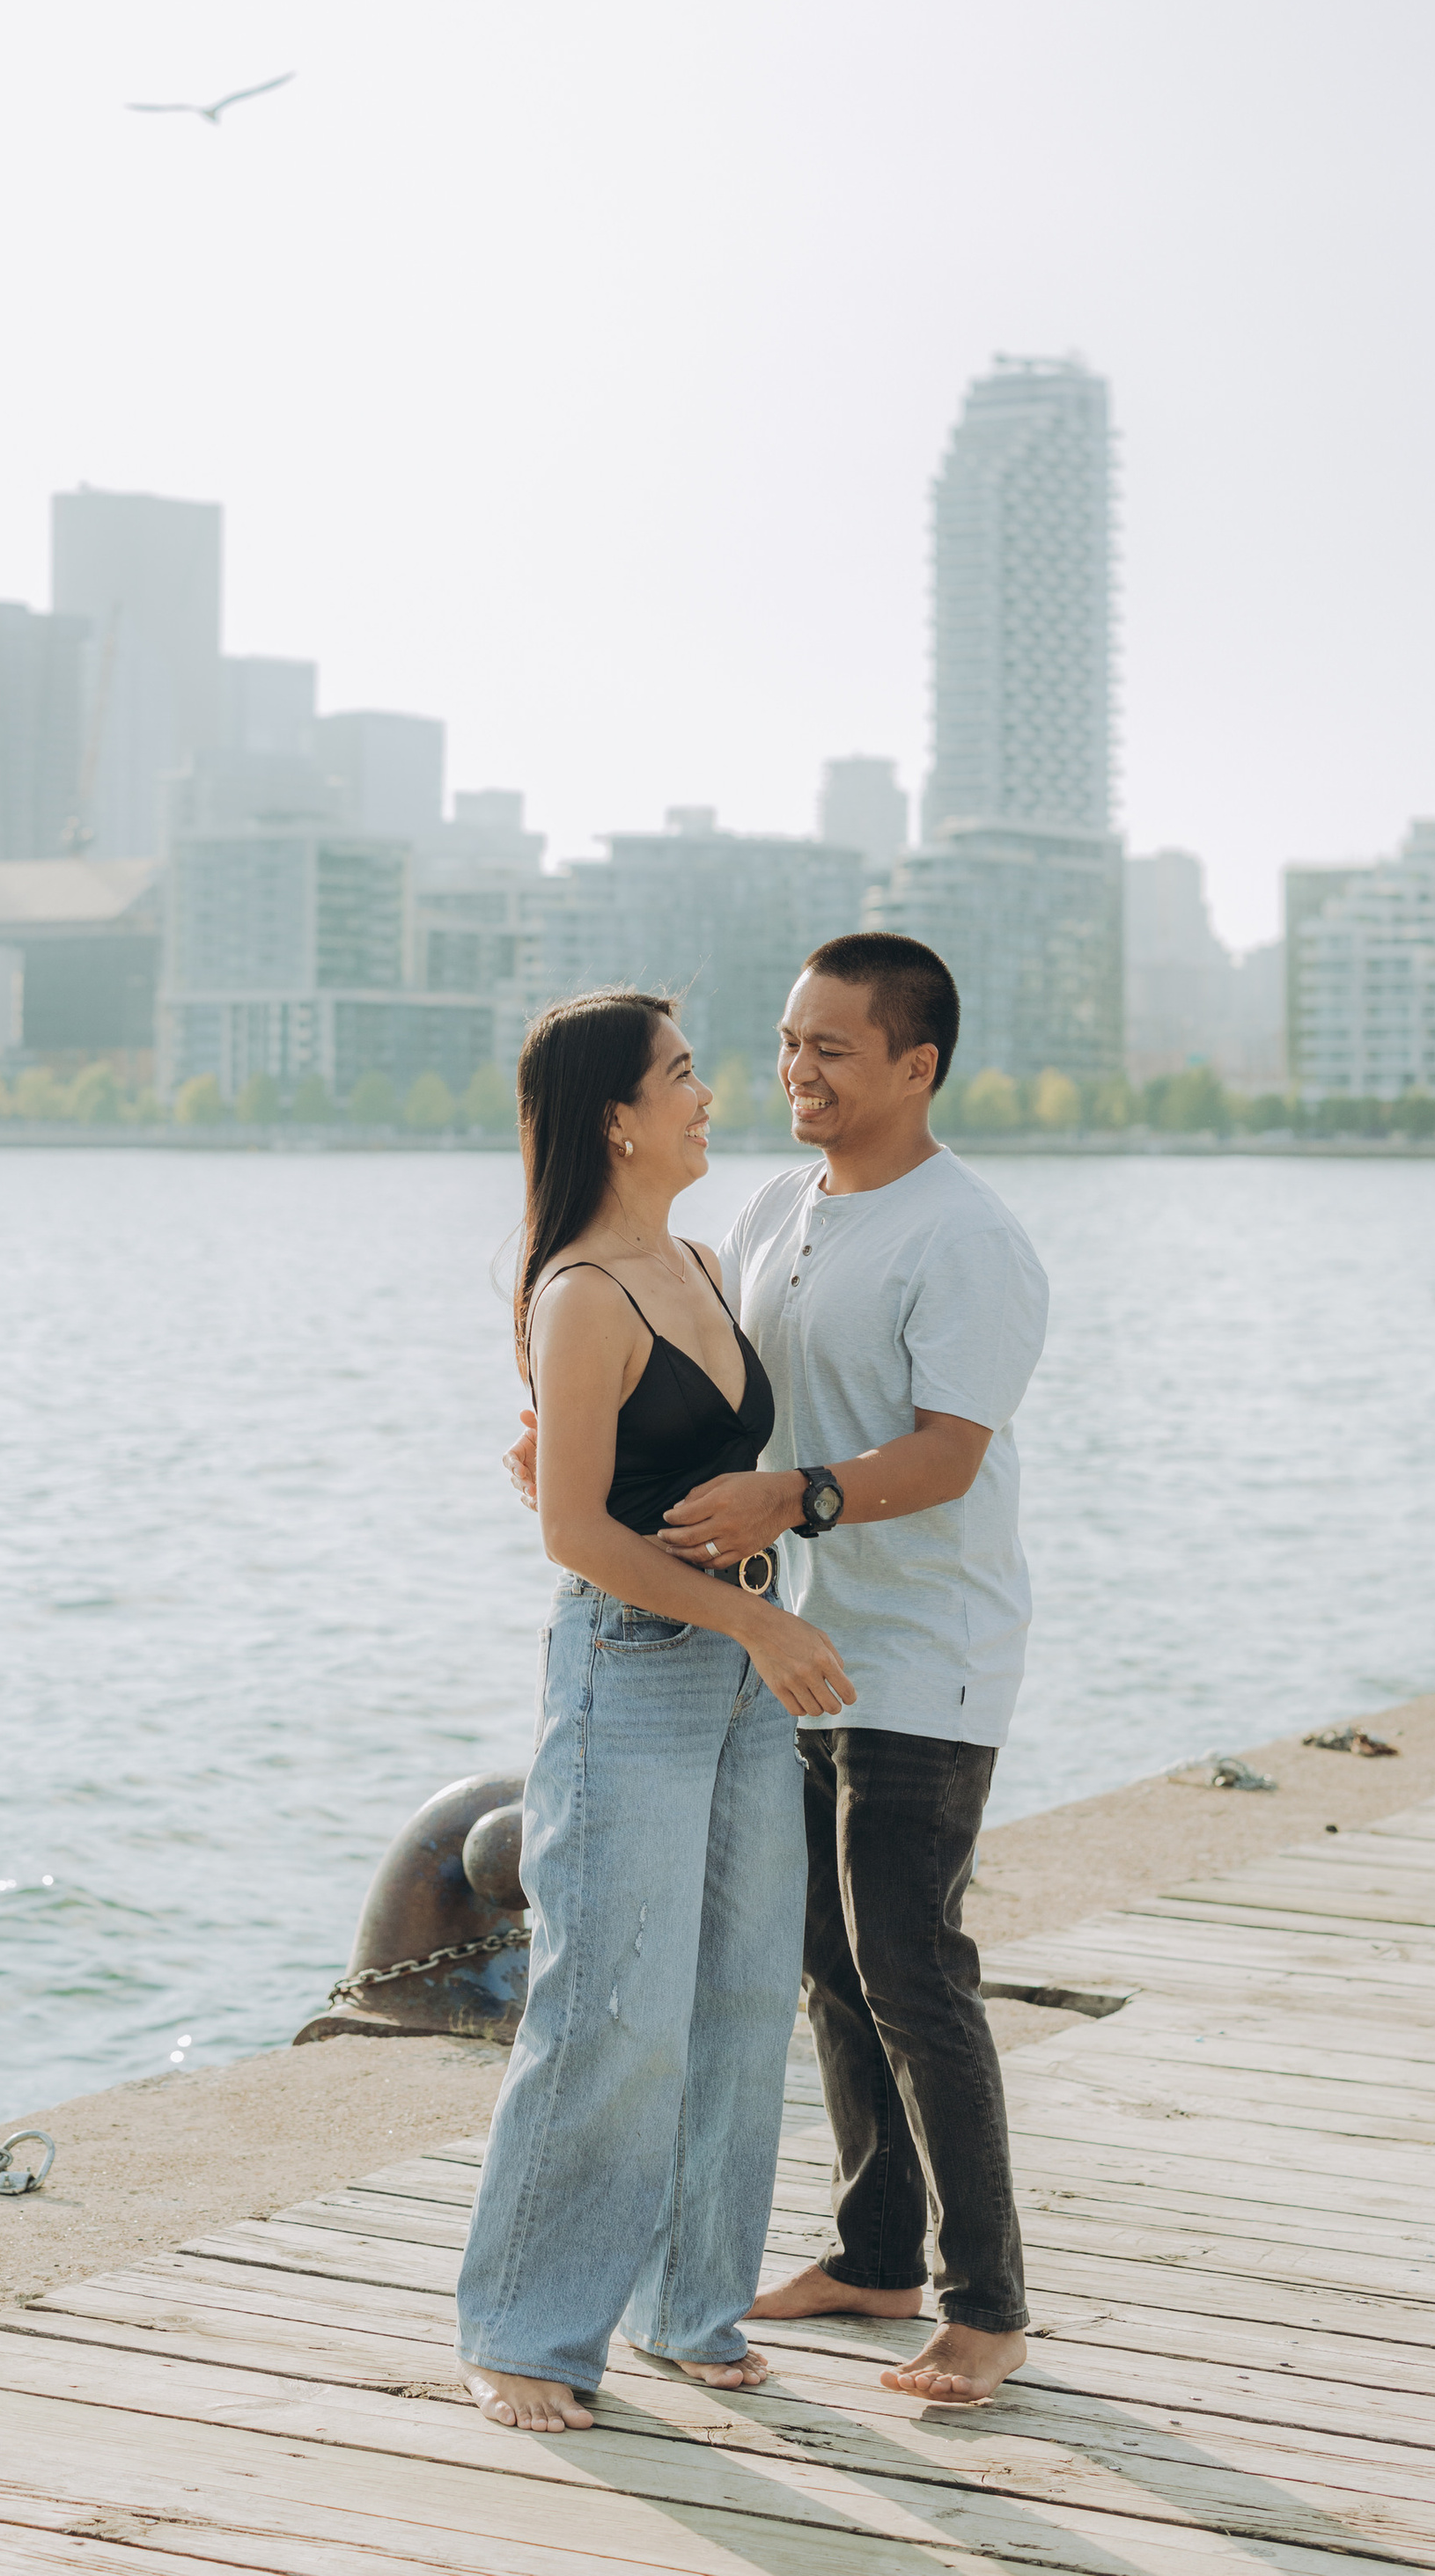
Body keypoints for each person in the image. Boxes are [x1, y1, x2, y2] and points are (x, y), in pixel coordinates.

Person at [508, 931, 1049, 2406]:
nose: (793, 1072)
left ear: (918, 1068)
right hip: (764, 1653)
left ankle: (985, 2300)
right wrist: (582, 1471)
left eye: (834, 1050)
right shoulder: (762, 1212)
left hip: (922, 1654)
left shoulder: (969, 1239)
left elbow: (946, 1455)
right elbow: (692, 1398)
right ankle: (875, 2251)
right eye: (788, 1042)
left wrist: (793, 1502)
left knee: (909, 1966)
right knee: (815, 1961)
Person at [456, 989, 856, 2437]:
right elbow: (576, 1531)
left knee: (744, 1998)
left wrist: (762, 1609)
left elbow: (650, 1466)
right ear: (617, 1117)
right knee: (608, 2015)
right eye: (683, 1075)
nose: (710, 1092)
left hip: (743, 1668)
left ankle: (693, 2310)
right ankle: (524, 2330)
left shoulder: (694, 1256)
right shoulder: (581, 1292)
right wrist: (755, 1615)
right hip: (633, 1667)